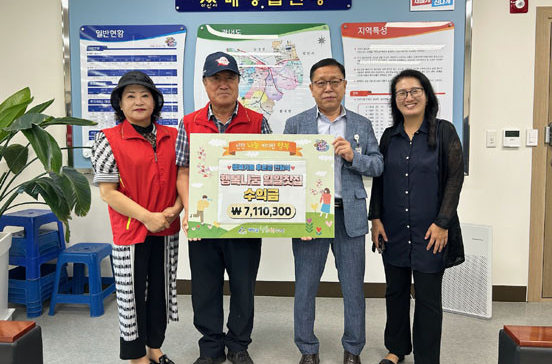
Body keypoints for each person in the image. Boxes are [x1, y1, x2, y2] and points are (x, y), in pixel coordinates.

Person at [284, 58, 384, 364]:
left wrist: (354, 157)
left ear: (344, 85)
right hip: (310, 216)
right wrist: (295, 219)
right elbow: (285, 172)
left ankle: (353, 349)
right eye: (321, 83)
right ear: (311, 88)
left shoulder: (360, 124)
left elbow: (378, 165)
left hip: (348, 215)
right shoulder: (296, 124)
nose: (328, 88)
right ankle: (307, 349)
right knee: (305, 287)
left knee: (353, 289)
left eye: (334, 81)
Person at [175, 51, 272, 364]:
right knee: (205, 287)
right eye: (216, 78)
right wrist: (189, 210)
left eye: (229, 77)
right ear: (205, 83)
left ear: (238, 82)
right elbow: (183, 171)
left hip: (245, 222)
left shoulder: (257, 122)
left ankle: (239, 345)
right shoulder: (189, 123)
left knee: (243, 286)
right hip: (204, 220)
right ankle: (211, 348)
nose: (223, 84)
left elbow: (272, 169)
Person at [368, 69, 465, 364]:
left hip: (431, 231)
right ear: (394, 99)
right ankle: (396, 349)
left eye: (414, 91)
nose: (408, 97)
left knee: (428, 299)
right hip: (393, 228)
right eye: (402, 93)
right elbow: (379, 181)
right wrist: (375, 219)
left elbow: (454, 179)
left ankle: (426, 357)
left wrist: (442, 223)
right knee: (395, 291)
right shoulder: (389, 137)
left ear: (426, 95)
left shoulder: (444, 131)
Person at [91, 71, 182, 364]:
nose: (138, 101)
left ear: (155, 102)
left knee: (160, 291)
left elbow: (185, 178)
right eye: (130, 96)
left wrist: (176, 208)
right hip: (131, 230)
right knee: (131, 296)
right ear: (120, 103)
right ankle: (136, 355)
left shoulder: (173, 136)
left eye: (145, 95)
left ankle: (154, 347)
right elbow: (108, 193)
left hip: (166, 227)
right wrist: (146, 217)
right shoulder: (107, 139)